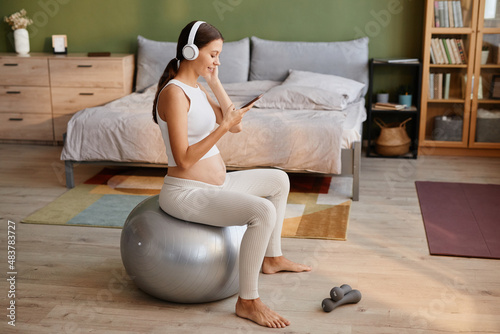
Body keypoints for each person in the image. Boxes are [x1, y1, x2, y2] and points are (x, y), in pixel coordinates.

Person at [152, 20, 311, 329]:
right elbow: (183, 160)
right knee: (262, 211)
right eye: (213, 54)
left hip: (218, 184)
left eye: (219, 55)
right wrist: (222, 127)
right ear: (190, 51)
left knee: (279, 180)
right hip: (186, 192)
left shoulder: (195, 89)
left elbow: (235, 124)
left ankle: (272, 258)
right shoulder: (174, 94)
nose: (218, 61)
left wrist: (214, 82)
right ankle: (248, 301)